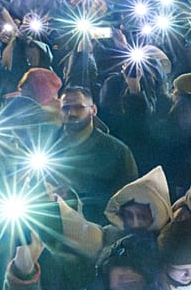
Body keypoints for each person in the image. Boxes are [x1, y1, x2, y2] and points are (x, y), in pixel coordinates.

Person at [55, 85, 140, 224]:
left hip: (96, 229)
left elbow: (128, 199)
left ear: (93, 110)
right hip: (52, 227)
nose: (71, 113)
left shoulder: (116, 151)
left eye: (79, 107)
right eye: (66, 108)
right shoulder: (46, 145)